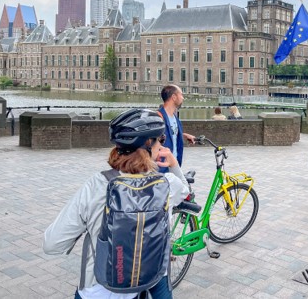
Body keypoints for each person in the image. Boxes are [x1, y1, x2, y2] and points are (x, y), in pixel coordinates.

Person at [43, 109, 189, 298]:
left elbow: (52, 244)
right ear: (148, 144)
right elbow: (186, 192)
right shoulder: (168, 184)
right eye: (160, 140)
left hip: (98, 290)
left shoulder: (97, 185)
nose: (162, 145)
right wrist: (174, 163)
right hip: (147, 281)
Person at [158, 85, 195, 170]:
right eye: (181, 95)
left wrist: (182, 135)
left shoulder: (175, 118)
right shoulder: (159, 118)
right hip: (163, 168)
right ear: (174, 97)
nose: (183, 98)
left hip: (174, 165)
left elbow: (169, 134)